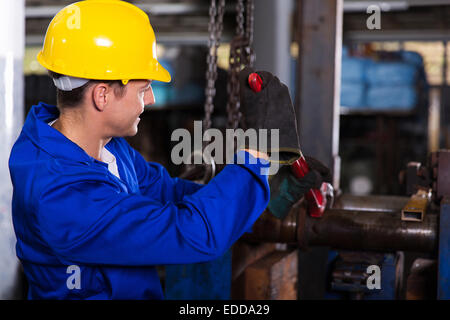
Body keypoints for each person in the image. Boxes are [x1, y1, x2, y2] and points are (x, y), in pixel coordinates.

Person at [8, 0, 328, 300]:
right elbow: (191, 232)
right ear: (102, 95)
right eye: (144, 88)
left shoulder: (104, 149)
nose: (151, 100)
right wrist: (255, 155)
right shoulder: (61, 196)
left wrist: (262, 192)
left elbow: (170, 193)